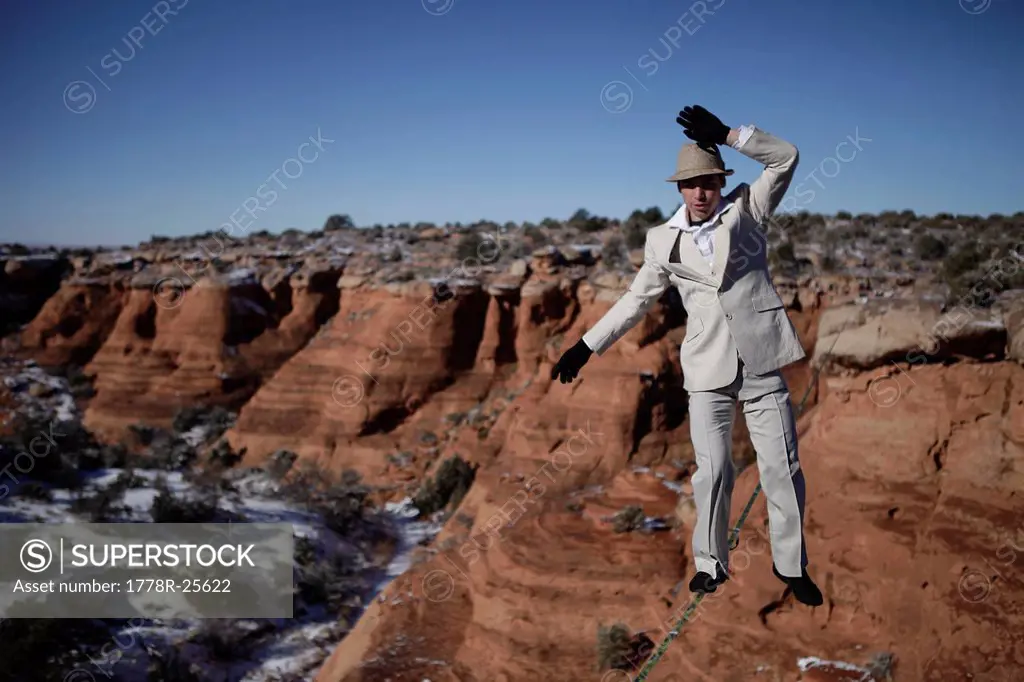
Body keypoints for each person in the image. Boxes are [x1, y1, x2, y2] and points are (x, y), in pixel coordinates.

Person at [550, 105, 822, 606]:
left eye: (710, 183)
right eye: (692, 184)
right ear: (678, 188)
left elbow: (786, 158)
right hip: (707, 369)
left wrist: (727, 134)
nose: (701, 193)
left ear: (721, 183)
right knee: (713, 471)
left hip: (761, 361)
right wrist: (585, 346)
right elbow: (635, 301)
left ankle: (790, 566)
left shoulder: (749, 211)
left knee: (781, 468)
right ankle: (710, 565)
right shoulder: (661, 241)